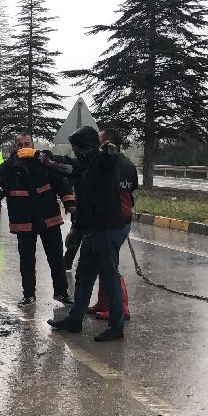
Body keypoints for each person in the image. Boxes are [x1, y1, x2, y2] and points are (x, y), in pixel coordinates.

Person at [48, 126, 128, 342]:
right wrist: (77, 228)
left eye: (77, 147)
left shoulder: (101, 163)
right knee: (84, 276)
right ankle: (75, 320)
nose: (75, 152)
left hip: (106, 229)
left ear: (87, 147)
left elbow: (108, 161)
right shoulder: (82, 166)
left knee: (109, 277)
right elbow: (63, 165)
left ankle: (116, 326)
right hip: (91, 230)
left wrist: (109, 152)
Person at [0, 133, 76, 306]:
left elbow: (61, 183)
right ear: (15, 147)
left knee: (56, 257)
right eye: (20, 145)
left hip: (48, 217)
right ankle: (29, 294)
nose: (23, 147)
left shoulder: (44, 162)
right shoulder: (8, 167)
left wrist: (69, 202)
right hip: (24, 220)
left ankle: (61, 292)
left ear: (33, 146)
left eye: (27, 144)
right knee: (27, 259)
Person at [86, 128, 137, 321]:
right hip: (123, 220)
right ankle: (103, 303)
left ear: (106, 143)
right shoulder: (129, 164)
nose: (95, 143)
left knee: (109, 266)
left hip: (113, 223)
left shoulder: (109, 164)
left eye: (98, 139)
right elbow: (134, 194)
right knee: (104, 263)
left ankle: (121, 307)